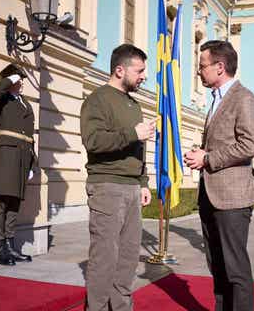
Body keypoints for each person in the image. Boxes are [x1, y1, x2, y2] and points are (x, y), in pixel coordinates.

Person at [185, 40, 254, 311]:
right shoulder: (217, 100)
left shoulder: (245, 98)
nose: (198, 71)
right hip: (210, 195)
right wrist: (203, 152)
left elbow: (249, 145)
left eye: (202, 65)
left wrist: (207, 158)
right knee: (217, 266)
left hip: (232, 199)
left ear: (220, 67)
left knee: (235, 269)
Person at [80, 44, 154, 311]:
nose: (144, 76)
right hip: (106, 187)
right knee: (104, 259)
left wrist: (143, 183)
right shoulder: (97, 99)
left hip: (132, 189)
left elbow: (138, 148)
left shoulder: (133, 105)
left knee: (128, 258)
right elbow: (93, 141)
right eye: (140, 70)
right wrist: (134, 134)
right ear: (120, 70)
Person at [0, 63, 36, 265]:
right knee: (1, 203)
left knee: (14, 203)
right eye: (18, 79)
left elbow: (30, 136)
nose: (21, 82)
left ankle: (10, 247)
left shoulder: (25, 103)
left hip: (23, 157)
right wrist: (7, 81)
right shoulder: (1, 99)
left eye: (21, 79)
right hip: (6, 155)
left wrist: (33, 164)